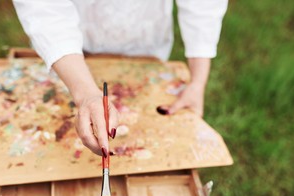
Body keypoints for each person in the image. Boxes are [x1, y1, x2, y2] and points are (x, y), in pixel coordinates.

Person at [12, 0, 228, 157]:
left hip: (145, 44)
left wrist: (198, 80)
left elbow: (204, 5)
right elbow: (43, 8)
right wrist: (85, 93)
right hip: (70, 48)